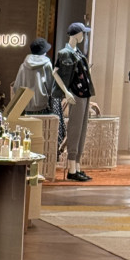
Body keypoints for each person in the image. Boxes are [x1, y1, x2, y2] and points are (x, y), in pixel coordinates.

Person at [56, 22, 96, 182]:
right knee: (75, 129)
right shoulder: (65, 53)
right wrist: (66, 92)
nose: (84, 36)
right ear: (76, 34)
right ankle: (72, 169)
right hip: (76, 94)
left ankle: (77, 167)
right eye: (82, 33)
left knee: (82, 130)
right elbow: (55, 72)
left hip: (85, 93)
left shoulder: (77, 52)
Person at [12, 37, 57, 111]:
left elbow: (16, 87)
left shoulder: (23, 65)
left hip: (25, 106)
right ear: (44, 52)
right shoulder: (47, 64)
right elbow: (51, 86)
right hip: (41, 105)